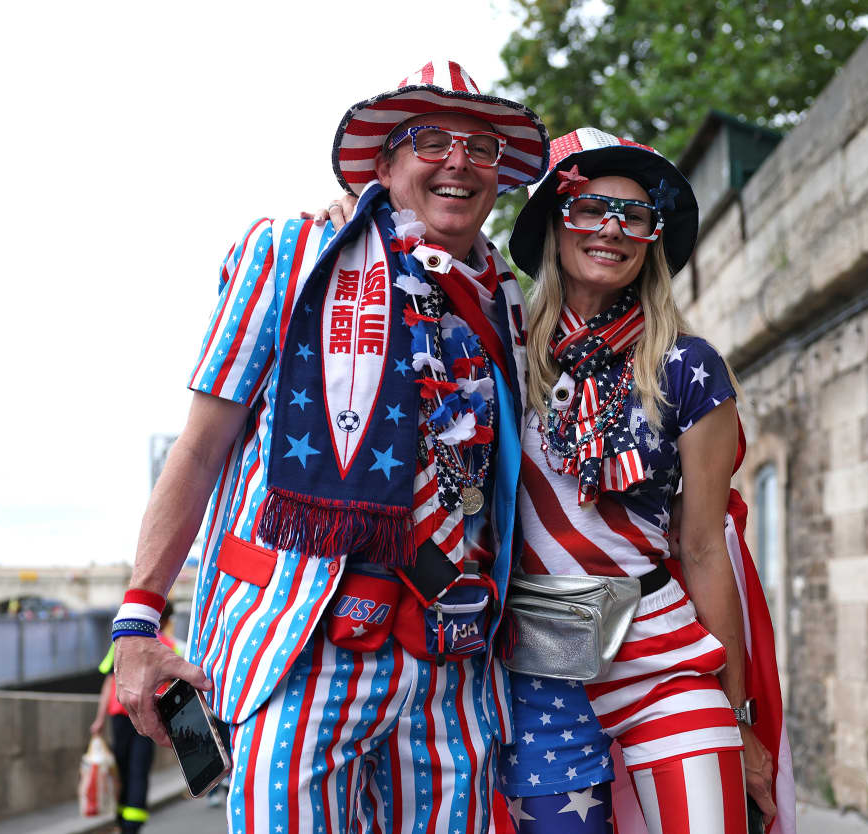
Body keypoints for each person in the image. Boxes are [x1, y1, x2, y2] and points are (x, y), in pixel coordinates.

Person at [111, 60, 548, 833]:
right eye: (431, 140)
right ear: (384, 163)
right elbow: (200, 448)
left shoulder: (504, 298)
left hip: (450, 670)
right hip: (303, 653)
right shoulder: (289, 253)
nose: (458, 161)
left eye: (481, 148)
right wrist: (138, 622)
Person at [495, 127, 786, 834]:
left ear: (653, 238)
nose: (614, 229)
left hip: (665, 657)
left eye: (635, 215)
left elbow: (705, 546)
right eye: (590, 208)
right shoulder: (498, 346)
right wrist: (349, 216)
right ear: (553, 228)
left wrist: (739, 714)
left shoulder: (688, 367)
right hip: (540, 674)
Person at [91, 602, 178, 833]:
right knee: (139, 768)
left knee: (121, 766)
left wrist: (99, 719)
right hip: (148, 717)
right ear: (167, 621)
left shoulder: (122, 643)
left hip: (120, 714)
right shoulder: (169, 647)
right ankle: (133, 822)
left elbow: (110, 681)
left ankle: (121, 819)